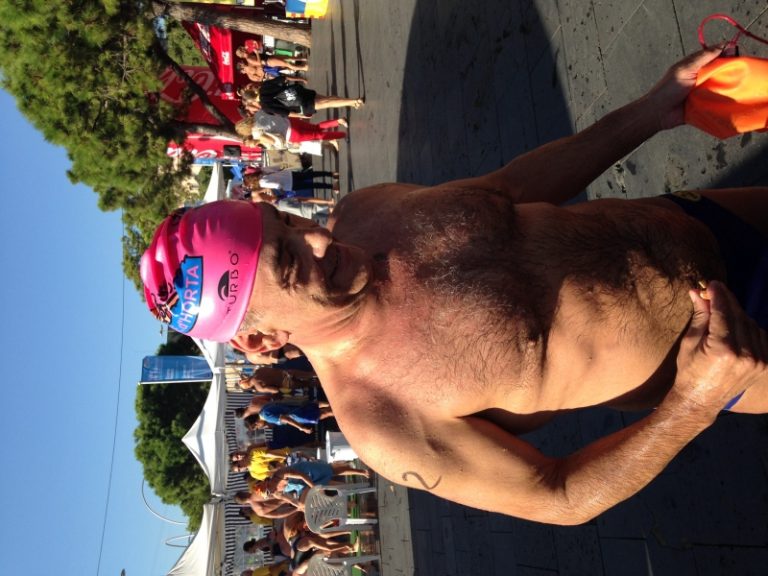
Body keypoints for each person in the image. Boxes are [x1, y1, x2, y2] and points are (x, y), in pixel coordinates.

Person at [140, 47, 768, 525]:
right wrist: (694, 402)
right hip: (738, 351)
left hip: (707, 219)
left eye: (288, 222)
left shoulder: (367, 210)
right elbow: (558, 496)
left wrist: (652, 111)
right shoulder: (380, 421)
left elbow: (511, 188)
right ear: (261, 338)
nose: (320, 240)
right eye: (289, 264)